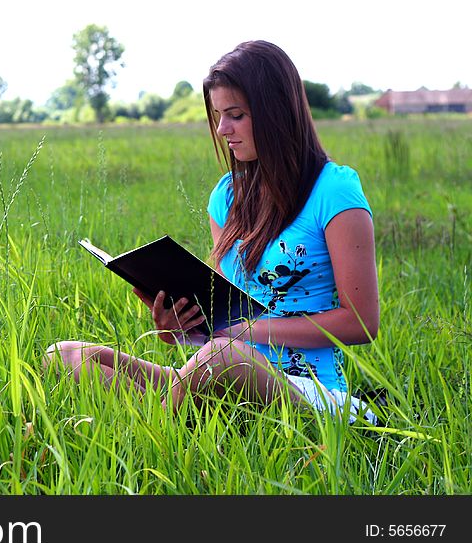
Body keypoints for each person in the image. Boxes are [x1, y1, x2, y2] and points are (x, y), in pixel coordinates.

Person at [44, 40, 379, 424]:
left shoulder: (335, 192)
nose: (222, 129)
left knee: (219, 356)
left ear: (276, 112)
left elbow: (360, 323)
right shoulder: (227, 196)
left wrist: (246, 332)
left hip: (305, 389)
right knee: (64, 355)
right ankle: (177, 413)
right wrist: (180, 328)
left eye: (235, 114)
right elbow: (220, 312)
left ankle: (156, 423)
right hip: (215, 367)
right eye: (219, 115)